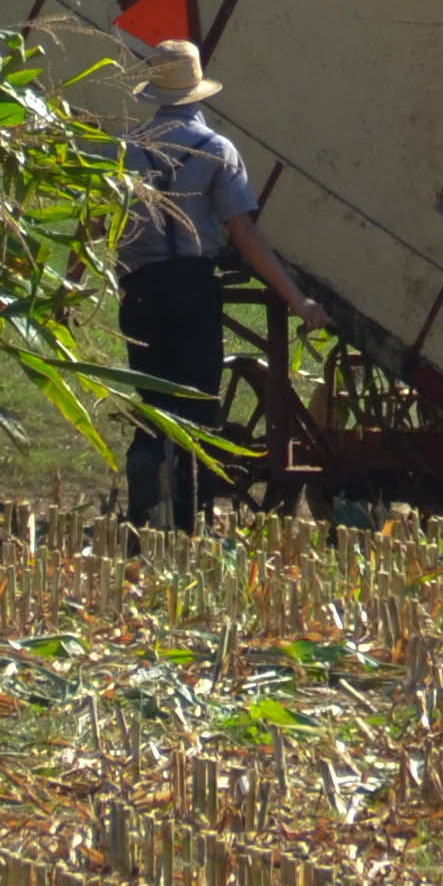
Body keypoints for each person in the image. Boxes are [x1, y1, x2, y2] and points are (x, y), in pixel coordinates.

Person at [117, 40, 322, 532]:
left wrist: (71, 286)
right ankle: (189, 525)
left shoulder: (128, 148)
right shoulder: (217, 151)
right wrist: (296, 298)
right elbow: (244, 234)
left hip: (140, 292)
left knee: (154, 406)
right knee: (197, 411)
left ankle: (144, 517)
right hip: (192, 289)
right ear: (198, 92)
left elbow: (99, 222)